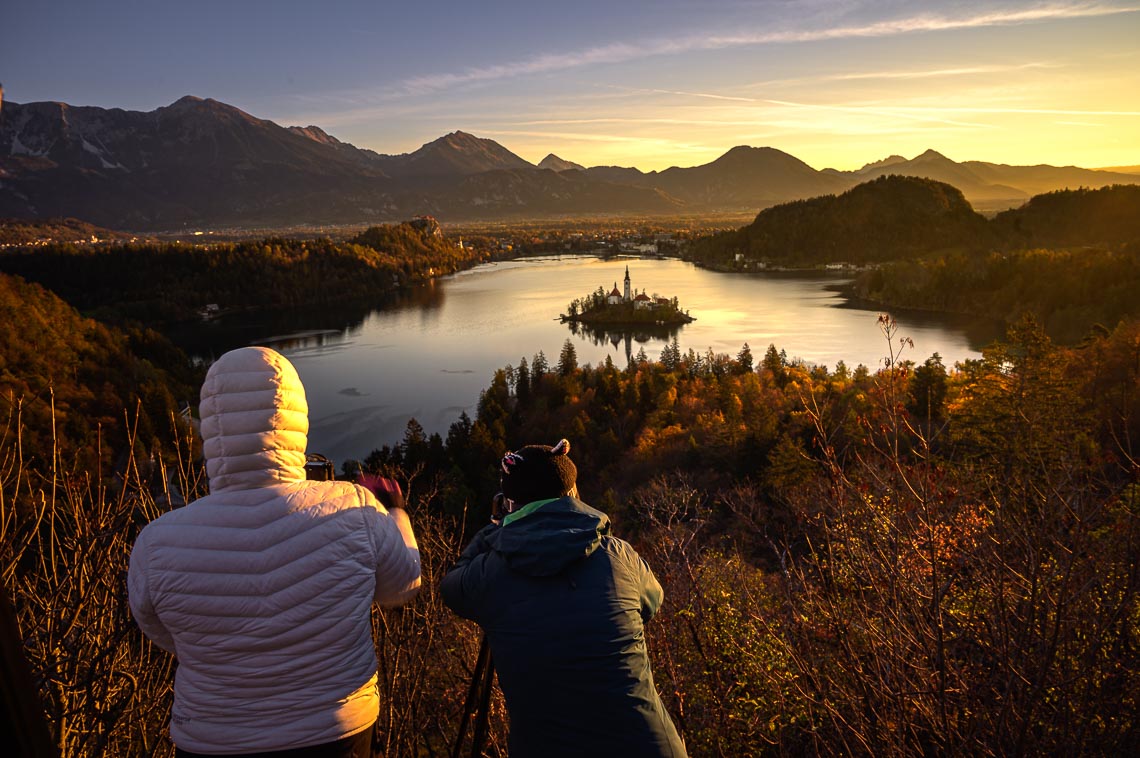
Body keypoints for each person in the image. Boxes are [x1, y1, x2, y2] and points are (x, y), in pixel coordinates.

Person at [128, 346, 421, 757]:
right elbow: (403, 587)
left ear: (212, 425)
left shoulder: (156, 543)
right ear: (295, 417)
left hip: (211, 739)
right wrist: (397, 513)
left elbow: (160, 629)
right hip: (337, 731)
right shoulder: (354, 508)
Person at [440, 439, 687, 757]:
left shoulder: (489, 574)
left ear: (509, 504)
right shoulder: (619, 555)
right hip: (649, 746)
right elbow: (652, 603)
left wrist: (492, 531)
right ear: (572, 493)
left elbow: (451, 588)